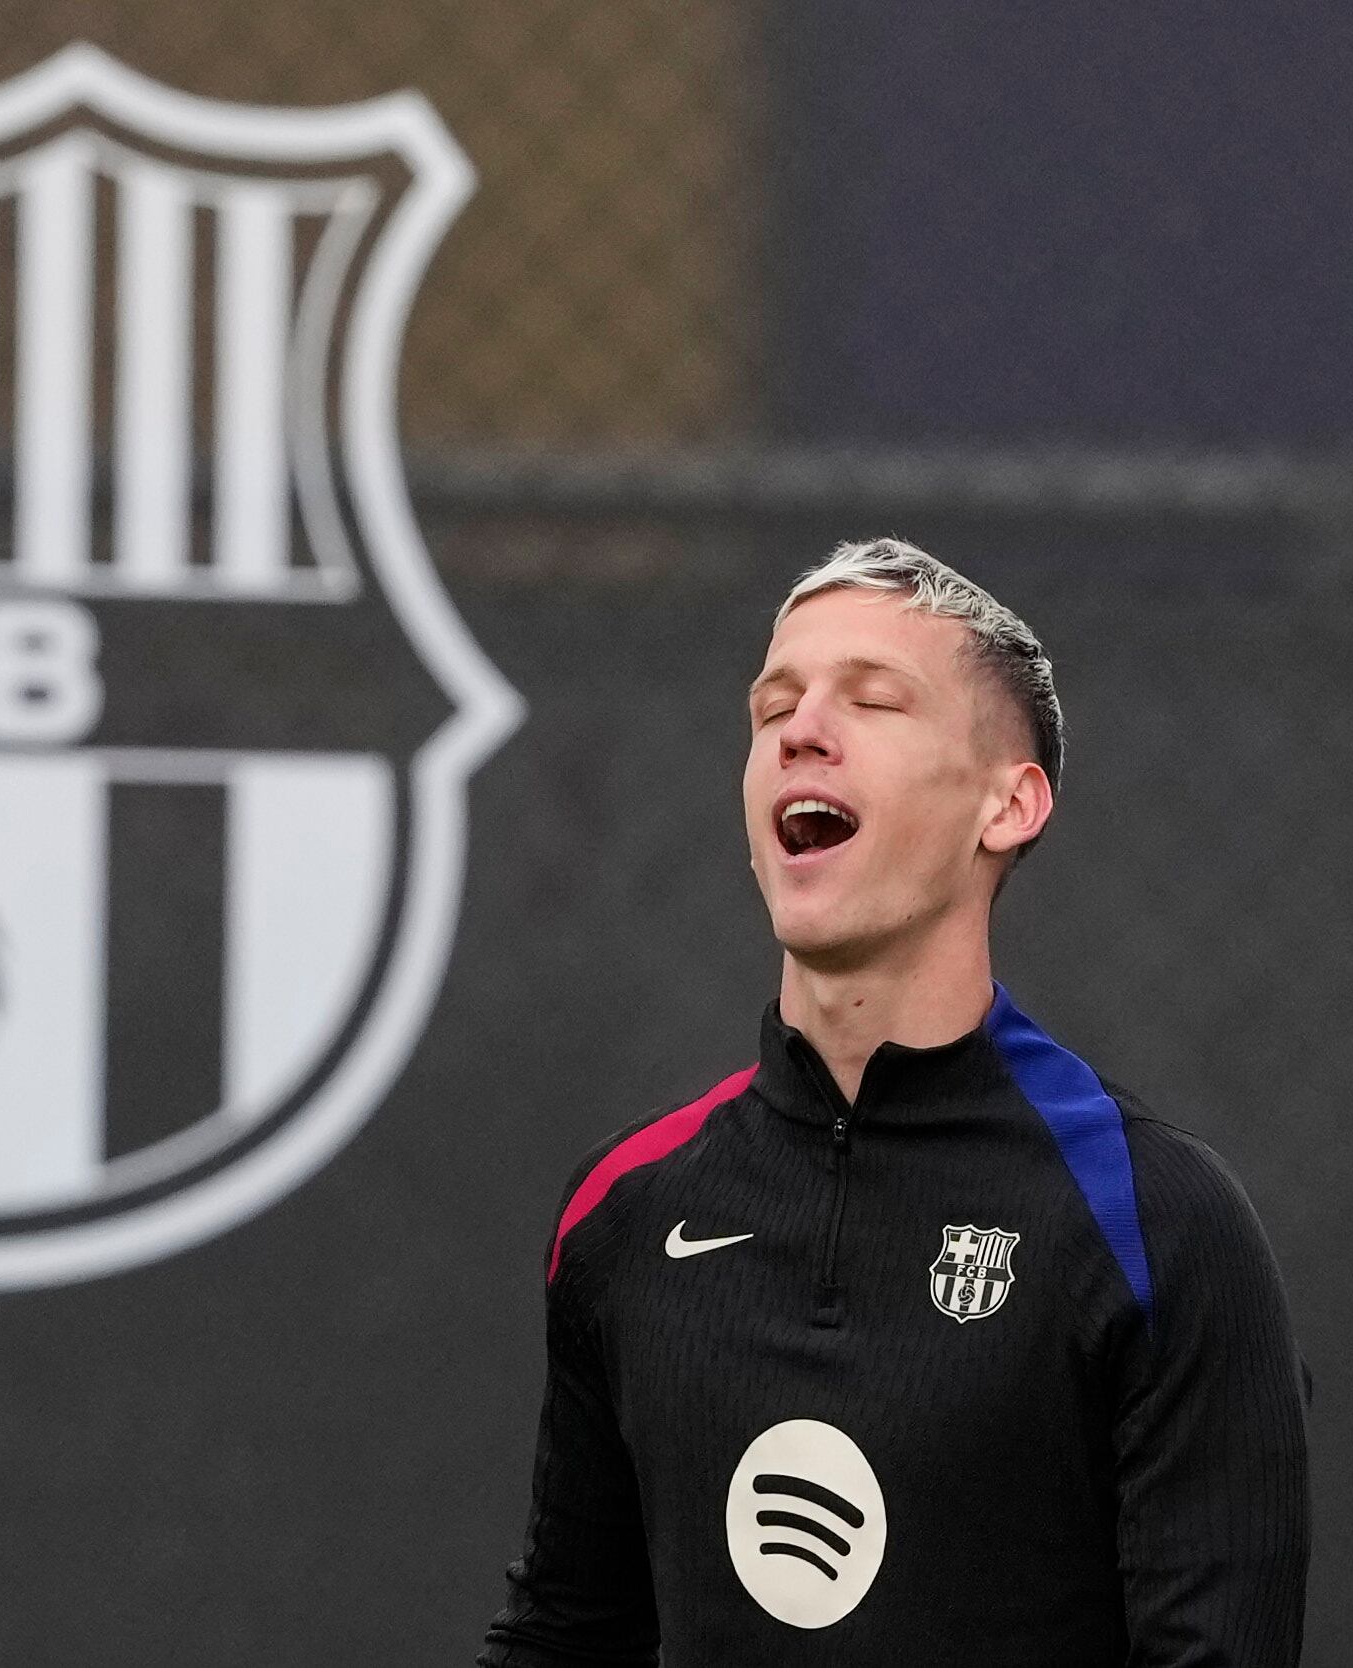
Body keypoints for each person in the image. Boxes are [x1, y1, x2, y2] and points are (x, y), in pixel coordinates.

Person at [479, 538, 1310, 1667]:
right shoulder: (622, 1207)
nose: (798, 728)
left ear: (1007, 804)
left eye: (872, 699)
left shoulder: (1154, 1221)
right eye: (772, 704)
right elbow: (565, 1637)